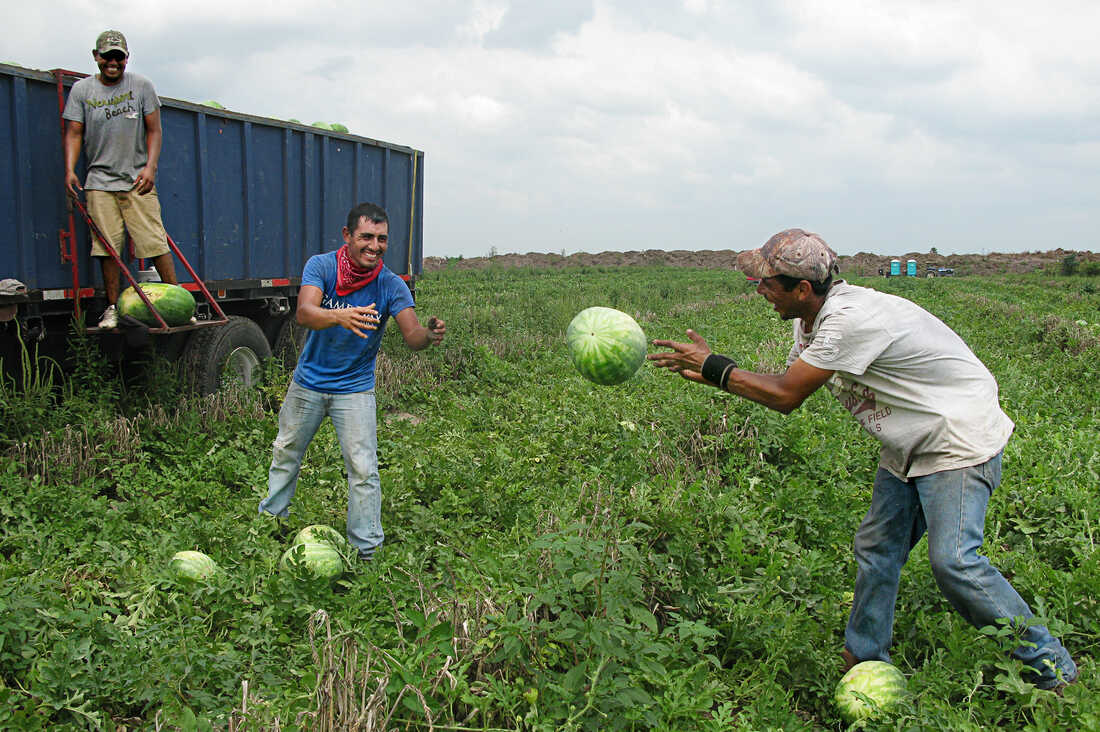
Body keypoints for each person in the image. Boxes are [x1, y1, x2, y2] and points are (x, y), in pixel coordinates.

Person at [648, 228, 1078, 692]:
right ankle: (864, 657)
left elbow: (787, 395)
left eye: (765, 283)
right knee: (878, 548)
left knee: (955, 561)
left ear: (802, 288)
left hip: (955, 436)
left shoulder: (850, 320)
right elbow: (785, 382)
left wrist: (716, 366)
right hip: (909, 438)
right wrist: (711, 372)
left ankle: (1051, 666)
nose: (759, 292)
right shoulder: (812, 319)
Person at [258, 202, 445, 561]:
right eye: (366, 237)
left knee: (363, 469)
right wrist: (339, 316)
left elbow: (412, 335)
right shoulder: (322, 266)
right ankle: (270, 526)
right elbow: (305, 313)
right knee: (286, 453)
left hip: (354, 389)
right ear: (347, 236)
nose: (374, 246)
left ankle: (366, 550)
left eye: (382, 239)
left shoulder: (391, 285)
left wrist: (429, 335)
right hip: (308, 383)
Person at [63, 29, 178, 329]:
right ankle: (112, 308)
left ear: (126, 58)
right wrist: (70, 169)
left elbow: (155, 130)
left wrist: (150, 167)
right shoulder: (82, 91)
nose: (112, 62)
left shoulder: (141, 86)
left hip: (136, 179)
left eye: (118, 57)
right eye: (107, 56)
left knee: (154, 241)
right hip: (99, 181)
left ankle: (179, 303)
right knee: (106, 247)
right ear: (96, 57)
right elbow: (74, 132)